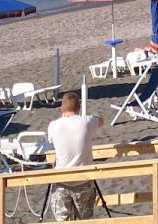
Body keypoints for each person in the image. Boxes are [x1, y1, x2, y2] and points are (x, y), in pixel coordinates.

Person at [46, 91, 103, 220]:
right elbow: (101, 121)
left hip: (61, 179)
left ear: (62, 108)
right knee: (86, 219)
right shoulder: (87, 121)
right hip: (84, 180)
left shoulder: (54, 125)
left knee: (62, 219)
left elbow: (50, 140)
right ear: (78, 108)